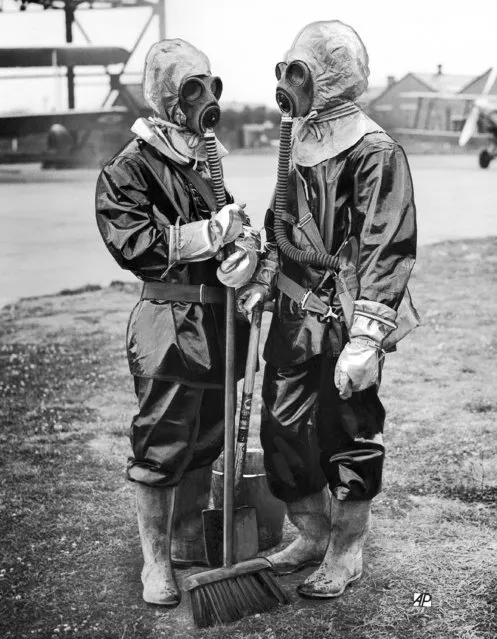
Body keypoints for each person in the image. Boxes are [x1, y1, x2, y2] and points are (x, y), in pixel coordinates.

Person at [237, 20, 418, 599]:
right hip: (293, 313)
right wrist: (262, 276)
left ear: (329, 77)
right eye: (287, 70)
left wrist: (367, 339)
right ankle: (311, 534)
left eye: (300, 72)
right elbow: (280, 223)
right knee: (283, 428)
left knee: (349, 431)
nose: (289, 83)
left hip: (345, 316)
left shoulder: (375, 151)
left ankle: (346, 548)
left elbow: (387, 243)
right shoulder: (300, 142)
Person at [95, 38, 259, 607]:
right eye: (193, 88)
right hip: (167, 322)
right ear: (168, 96)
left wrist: (245, 253)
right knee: (162, 441)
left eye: (212, 84)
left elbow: (230, 226)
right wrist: (211, 233)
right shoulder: (129, 168)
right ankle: (156, 564)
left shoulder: (203, 161)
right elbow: (137, 245)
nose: (207, 98)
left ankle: (189, 539)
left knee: (206, 438)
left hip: (218, 320)